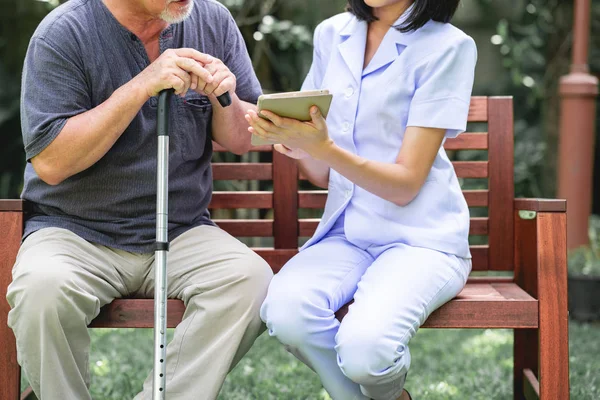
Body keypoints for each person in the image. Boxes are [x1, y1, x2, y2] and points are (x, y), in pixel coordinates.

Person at [6, 0, 273, 399]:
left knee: (250, 281)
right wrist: (142, 85)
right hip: (75, 231)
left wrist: (226, 96)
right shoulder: (63, 33)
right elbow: (51, 162)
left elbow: (242, 137)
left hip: (182, 230)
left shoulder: (211, 19)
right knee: (41, 291)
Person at [249, 0, 477, 399]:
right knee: (286, 312)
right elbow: (320, 172)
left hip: (421, 240)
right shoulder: (332, 33)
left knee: (367, 353)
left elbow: (406, 185)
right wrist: (294, 141)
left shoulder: (449, 47)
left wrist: (324, 148)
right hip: (347, 234)